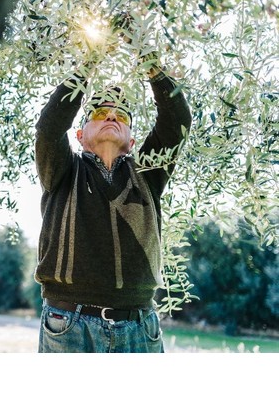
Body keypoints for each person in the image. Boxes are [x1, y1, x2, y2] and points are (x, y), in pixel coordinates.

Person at [34, 52, 192, 353]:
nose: (110, 116)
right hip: (68, 324)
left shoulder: (147, 173)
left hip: (140, 327)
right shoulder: (62, 170)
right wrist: (92, 57)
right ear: (80, 135)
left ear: (132, 141)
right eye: (98, 113)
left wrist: (148, 60)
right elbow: (49, 127)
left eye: (121, 115)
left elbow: (177, 121)